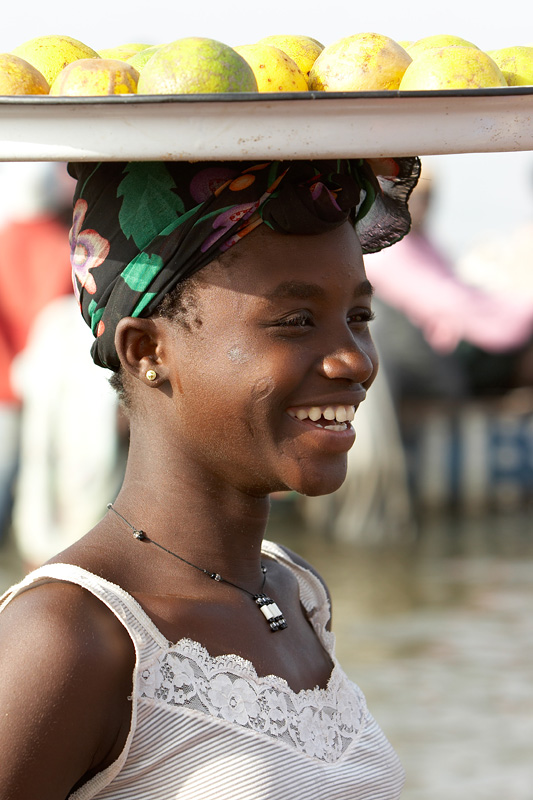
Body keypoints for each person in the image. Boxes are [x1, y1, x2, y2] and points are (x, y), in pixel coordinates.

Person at [0, 156, 420, 800]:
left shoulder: (293, 592)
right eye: (295, 321)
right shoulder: (69, 637)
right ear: (148, 352)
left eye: (359, 317)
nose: (353, 361)